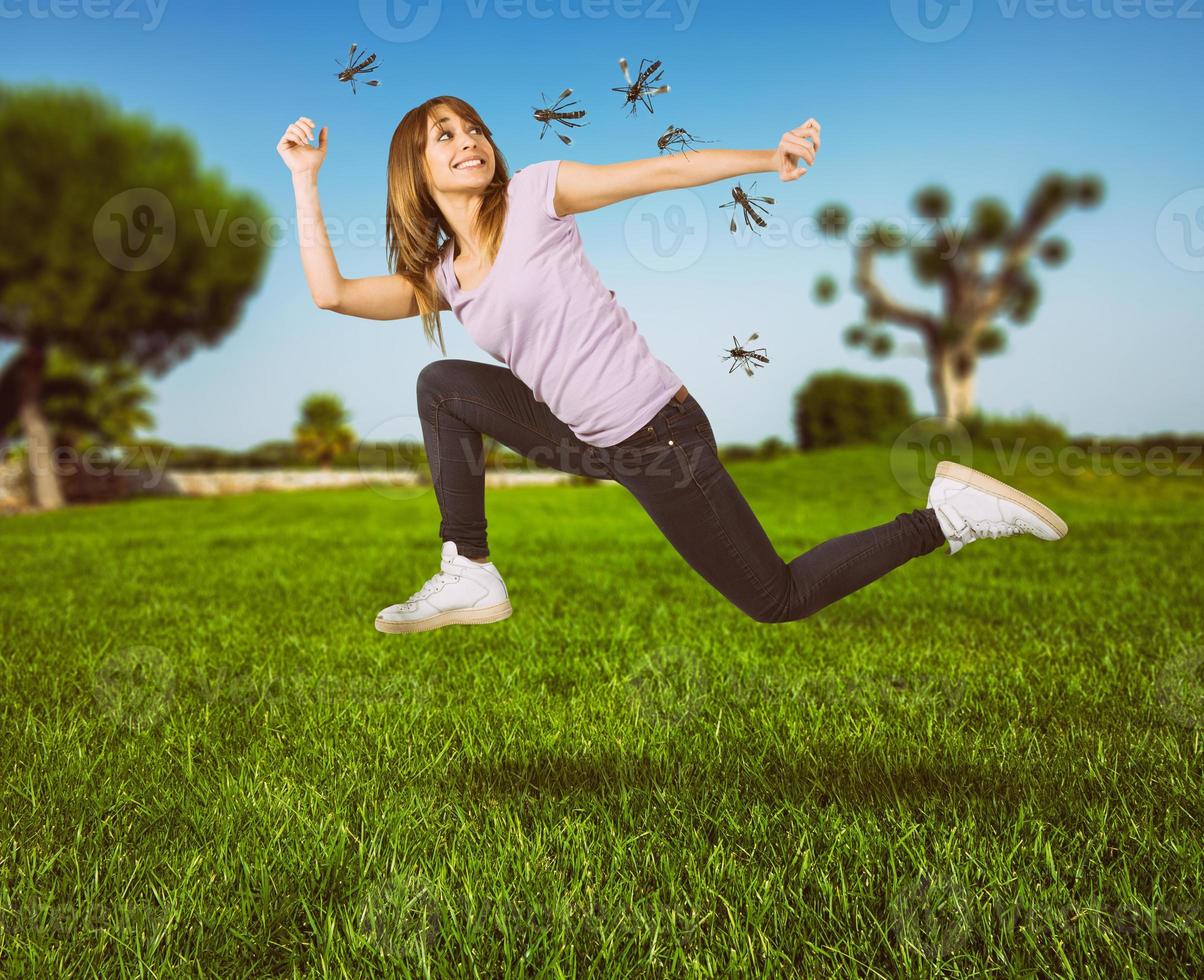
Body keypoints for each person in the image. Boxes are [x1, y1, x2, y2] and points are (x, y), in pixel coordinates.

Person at [275, 98, 1068, 635]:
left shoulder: (538, 195)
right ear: (414, 170)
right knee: (442, 386)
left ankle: (946, 515)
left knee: (775, 599)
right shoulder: (444, 276)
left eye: (472, 127)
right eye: (443, 136)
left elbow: (657, 173)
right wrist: (304, 181)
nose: (468, 140)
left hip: (659, 438)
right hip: (587, 440)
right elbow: (331, 293)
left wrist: (768, 157)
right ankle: (469, 567)